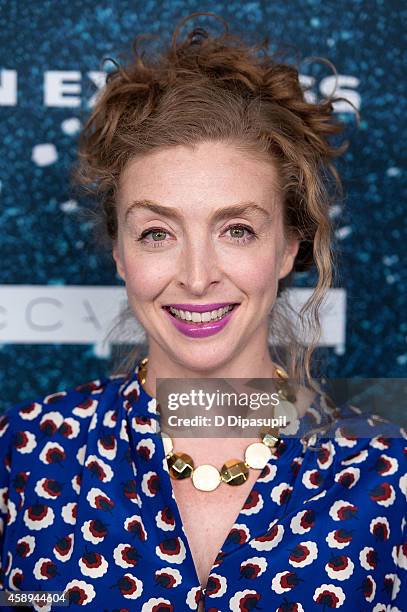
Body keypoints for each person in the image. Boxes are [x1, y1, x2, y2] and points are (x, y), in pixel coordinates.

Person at [0, 12, 405, 612]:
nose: (195, 277)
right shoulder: (23, 454)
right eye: (157, 233)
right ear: (119, 251)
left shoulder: (387, 478)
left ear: (289, 245)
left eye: (236, 229)